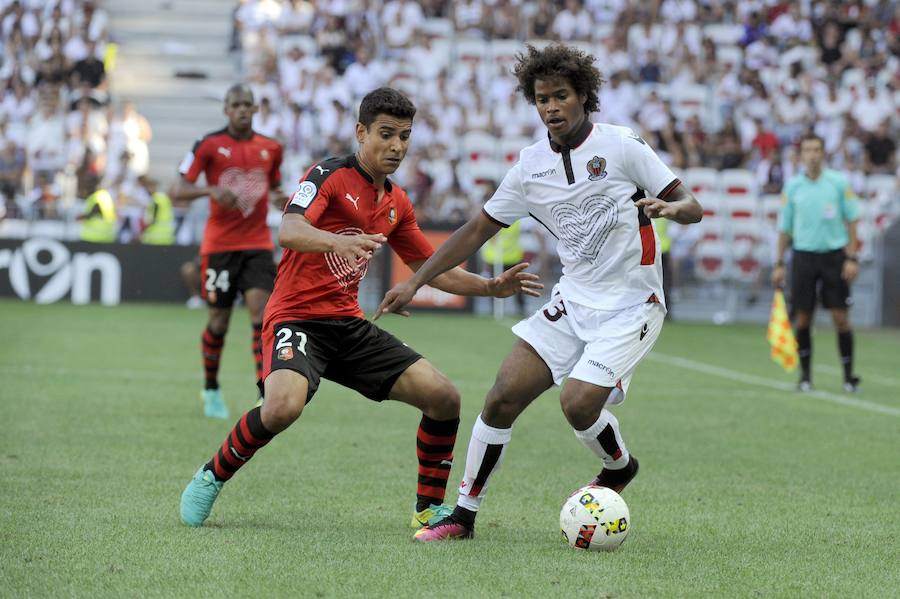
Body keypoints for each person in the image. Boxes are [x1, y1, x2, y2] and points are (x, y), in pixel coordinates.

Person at [376, 44, 703, 542]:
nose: (551, 107)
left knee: (576, 404)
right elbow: (473, 231)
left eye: (560, 96)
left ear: (584, 97)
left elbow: (692, 205)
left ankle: (619, 467)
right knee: (502, 397)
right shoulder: (530, 167)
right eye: (541, 99)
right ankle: (463, 516)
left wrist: (672, 209)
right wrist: (416, 280)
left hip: (632, 304)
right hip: (573, 301)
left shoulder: (622, 146)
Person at [179, 87, 542, 531]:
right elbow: (289, 230)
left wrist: (489, 286)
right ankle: (211, 475)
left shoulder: (396, 201)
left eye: (405, 137)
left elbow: (429, 268)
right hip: (296, 317)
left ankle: (428, 508)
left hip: (348, 325)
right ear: (361, 132)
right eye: (386, 134)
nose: (396, 146)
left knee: (444, 397)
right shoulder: (328, 174)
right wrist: (337, 240)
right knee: (281, 409)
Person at [171, 84, 287, 419]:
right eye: (236, 105)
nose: (242, 110)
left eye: (248, 105)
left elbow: (275, 185)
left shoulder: (271, 148)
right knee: (219, 321)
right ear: (226, 109)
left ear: (255, 109)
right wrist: (211, 190)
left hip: (257, 245)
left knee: (261, 316)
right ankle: (210, 389)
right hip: (220, 247)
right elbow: (177, 188)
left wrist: (280, 197)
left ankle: (263, 391)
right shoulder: (208, 144)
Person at [772, 133, 860, 393]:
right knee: (803, 318)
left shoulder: (838, 182)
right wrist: (778, 263)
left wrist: (852, 257)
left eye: (816, 150)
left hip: (834, 256)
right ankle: (806, 376)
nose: (812, 155)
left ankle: (848, 377)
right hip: (803, 256)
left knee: (840, 317)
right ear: (801, 156)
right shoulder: (793, 187)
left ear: (823, 153)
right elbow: (784, 228)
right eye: (808, 150)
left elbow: (853, 219)